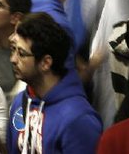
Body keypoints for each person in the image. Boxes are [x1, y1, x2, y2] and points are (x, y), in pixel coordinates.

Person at [7, 13, 102, 153]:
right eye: (13, 50)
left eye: (21, 53)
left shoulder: (78, 119)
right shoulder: (20, 101)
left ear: (45, 63)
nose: (13, 59)